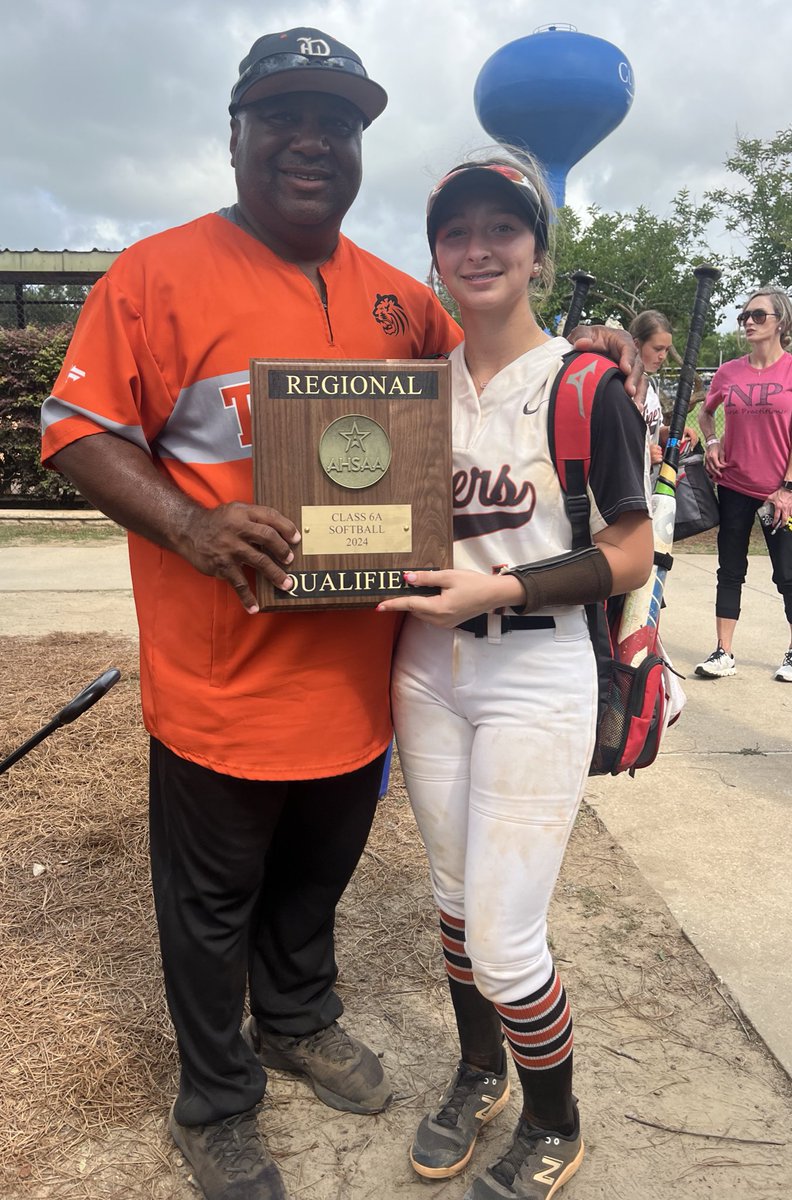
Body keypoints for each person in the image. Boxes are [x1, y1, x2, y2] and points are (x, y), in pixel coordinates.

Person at [40, 29, 644, 1200]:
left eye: (341, 121)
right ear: (237, 136)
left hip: (367, 682)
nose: (314, 139)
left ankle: (301, 1017)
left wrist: (590, 378)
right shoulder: (153, 276)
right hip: (222, 681)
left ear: (362, 148)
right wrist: (193, 527)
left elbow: (473, 405)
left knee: (317, 881)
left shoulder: (396, 301)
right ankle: (215, 1100)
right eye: (284, 115)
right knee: (211, 905)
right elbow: (75, 432)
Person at [377, 157, 653, 1200]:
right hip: (427, 669)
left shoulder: (585, 384)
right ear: (437, 253)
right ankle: (479, 1069)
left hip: (537, 669)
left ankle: (554, 1120)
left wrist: (490, 591)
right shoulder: (411, 386)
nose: (479, 247)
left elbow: (630, 553)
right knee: (454, 904)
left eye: (504, 228)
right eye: (457, 231)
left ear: (538, 250)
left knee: (504, 934)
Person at [695, 286, 792, 682]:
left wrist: (788, 487)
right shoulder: (729, 371)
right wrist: (712, 443)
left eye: (758, 316)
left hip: (781, 492)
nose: (748, 322)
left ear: (780, 322)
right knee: (730, 569)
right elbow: (705, 415)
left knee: (787, 574)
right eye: (744, 317)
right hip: (734, 485)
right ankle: (723, 653)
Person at [629, 309, 698, 465]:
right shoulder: (619, 387)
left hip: (648, 483)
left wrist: (669, 433)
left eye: (666, 350)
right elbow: (609, 444)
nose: (663, 356)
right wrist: (644, 455)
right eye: (657, 349)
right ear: (636, 344)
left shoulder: (650, 385)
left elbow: (653, 431)